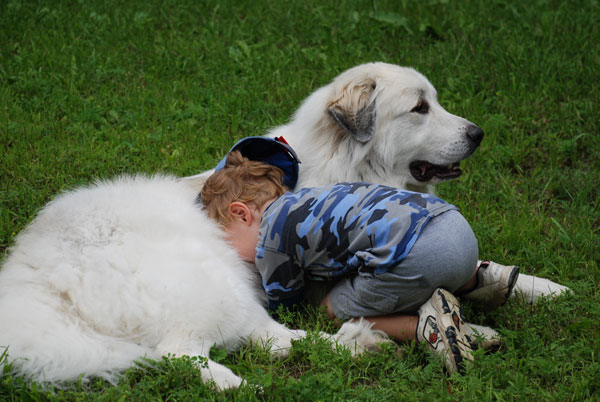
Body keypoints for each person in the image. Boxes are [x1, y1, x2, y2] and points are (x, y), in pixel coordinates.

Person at [200, 150, 519, 374]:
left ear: (242, 213)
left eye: (226, 238)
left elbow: (285, 306)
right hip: (454, 226)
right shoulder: (316, 196)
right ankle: (480, 278)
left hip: (421, 256)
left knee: (331, 309)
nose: (234, 253)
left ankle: (425, 326)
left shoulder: (271, 240)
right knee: (401, 256)